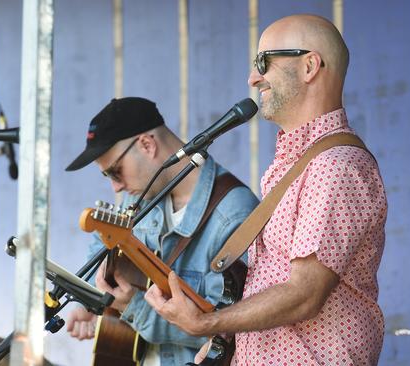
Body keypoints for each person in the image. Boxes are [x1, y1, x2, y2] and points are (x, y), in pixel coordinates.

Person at [145, 14, 388, 366]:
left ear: (310, 66)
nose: (253, 77)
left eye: (264, 62)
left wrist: (207, 322)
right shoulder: (295, 166)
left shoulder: (334, 166)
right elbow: (272, 285)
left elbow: (304, 295)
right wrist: (222, 343)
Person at [63, 97, 259, 366]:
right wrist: (92, 301)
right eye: (106, 176)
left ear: (147, 144)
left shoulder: (234, 214)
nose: (115, 188)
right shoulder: (142, 198)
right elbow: (102, 243)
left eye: (115, 172)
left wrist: (133, 308)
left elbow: (231, 331)